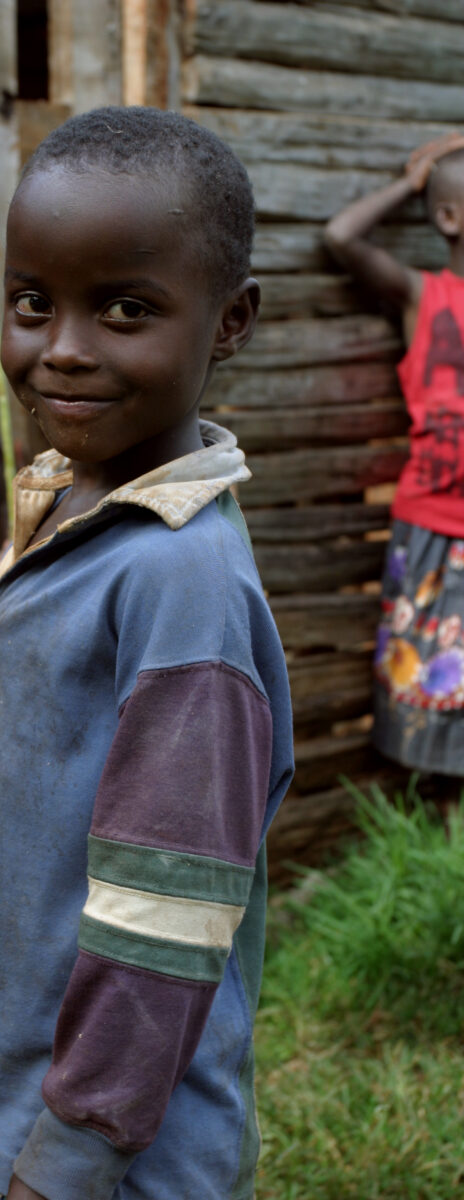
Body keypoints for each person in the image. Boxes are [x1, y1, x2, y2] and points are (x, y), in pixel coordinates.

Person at [0, 108, 294, 1200]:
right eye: (35, 302)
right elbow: (16, 774)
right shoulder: (72, 503)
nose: (65, 348)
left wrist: (73, 1158)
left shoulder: (181, 586)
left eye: (126, 309)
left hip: (112, 1151)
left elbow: (161, 918)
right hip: (25, 1095)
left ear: (229, 323)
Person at [325, 131, 464, 777]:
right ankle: (425, 812)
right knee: (419, 665)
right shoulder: (423, 295)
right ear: (448, 218)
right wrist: (413, 183)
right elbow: (341, 237)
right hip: (431, 521)